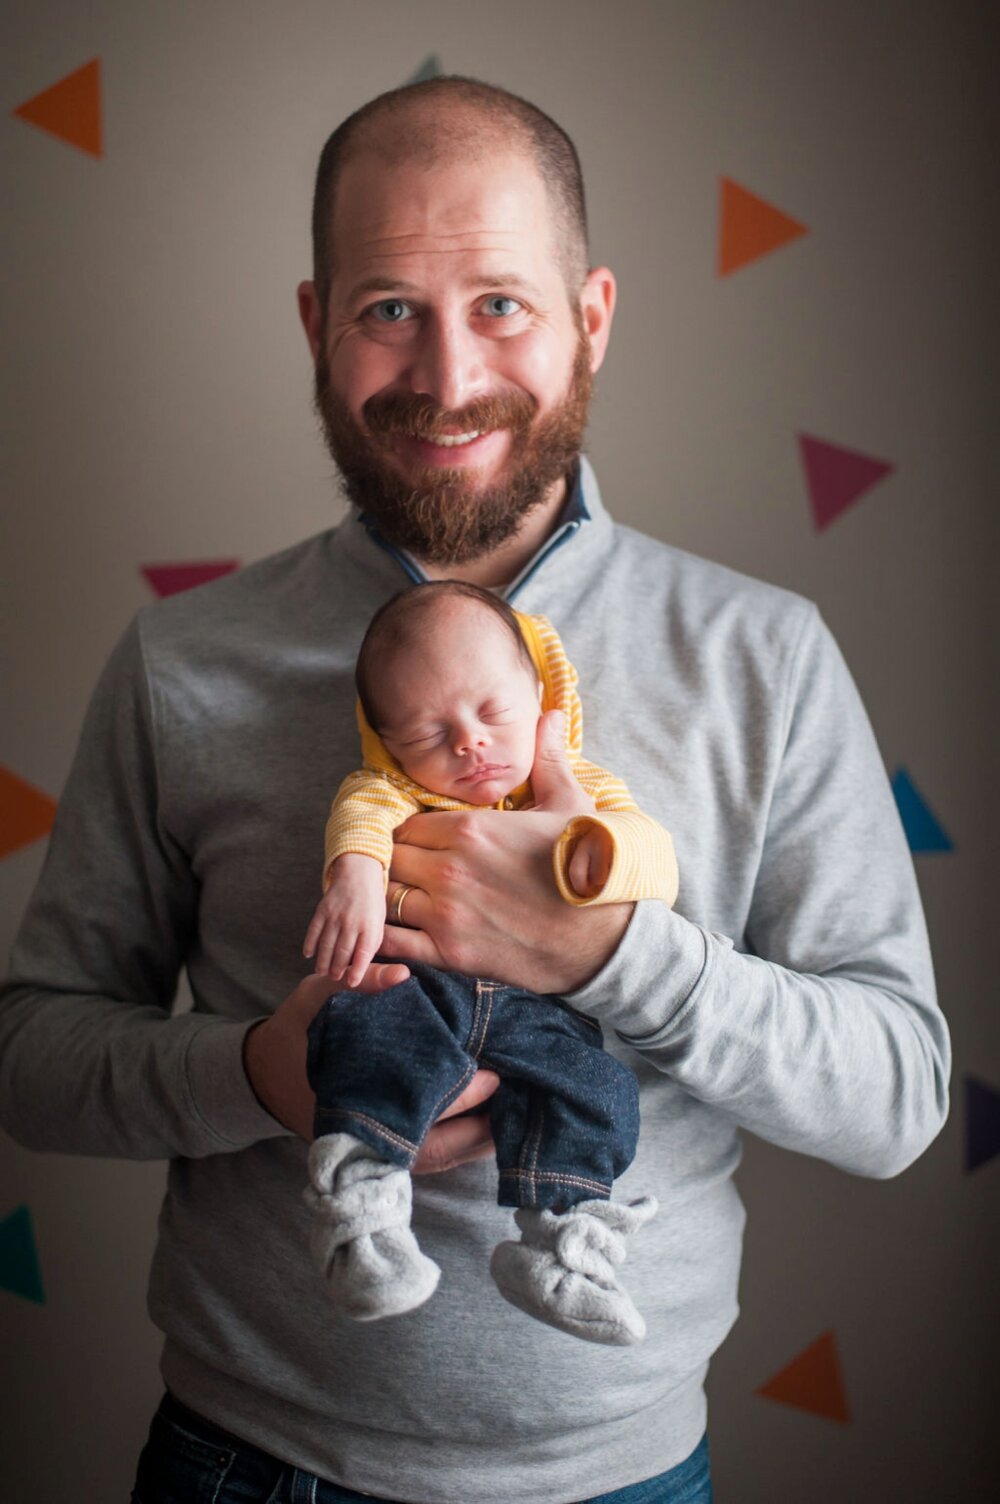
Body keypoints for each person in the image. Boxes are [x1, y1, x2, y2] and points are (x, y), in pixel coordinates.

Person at [0, 75, 948, 1504]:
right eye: (390, 308)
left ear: (593, 316)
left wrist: (617, 957)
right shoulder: (182, 660)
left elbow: (897, 1095)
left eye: (501, 302)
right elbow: (35, 1060)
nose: (447, 379)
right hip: (245, 1463)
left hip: (621, 1480)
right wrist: (264, 1072)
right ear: (317, 325)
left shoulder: (765, 654)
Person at [302, 580, 677, 1344]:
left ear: (539, 698)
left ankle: (563, 1249)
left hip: (540, 1010)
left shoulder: (577, 788)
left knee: (598, 1088)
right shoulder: (390, 791)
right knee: (365, 1035)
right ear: (385, 742)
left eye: (492, 713)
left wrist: (592, 850)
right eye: (426, 732)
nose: (468, 742)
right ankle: (363, 1218)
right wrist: (357, 873)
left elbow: (658, 870)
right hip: (419, 989)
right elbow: (363, 816)